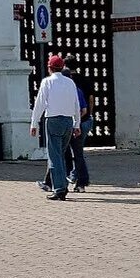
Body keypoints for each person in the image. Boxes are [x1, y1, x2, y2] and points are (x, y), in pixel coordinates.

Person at [29, 54, 80, 201]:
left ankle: (59, 189)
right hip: (68, 121)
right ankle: (62, 183)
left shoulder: (47, 82)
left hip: (53, 120)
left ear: (49, 68)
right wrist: (76, 124)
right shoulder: (70, 82)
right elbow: (76, 103)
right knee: (61, 154)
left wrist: (34, 123)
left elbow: (40, 104)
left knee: (54, 157)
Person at [63, 55, 92, 192]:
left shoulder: (67, 83)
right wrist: (89, 115)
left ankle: (77, 177)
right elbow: (90, 99)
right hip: (85, 120)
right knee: (78, 152)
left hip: (72, 121)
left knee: (68, 152)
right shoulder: (85, 80)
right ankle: (77, 177)